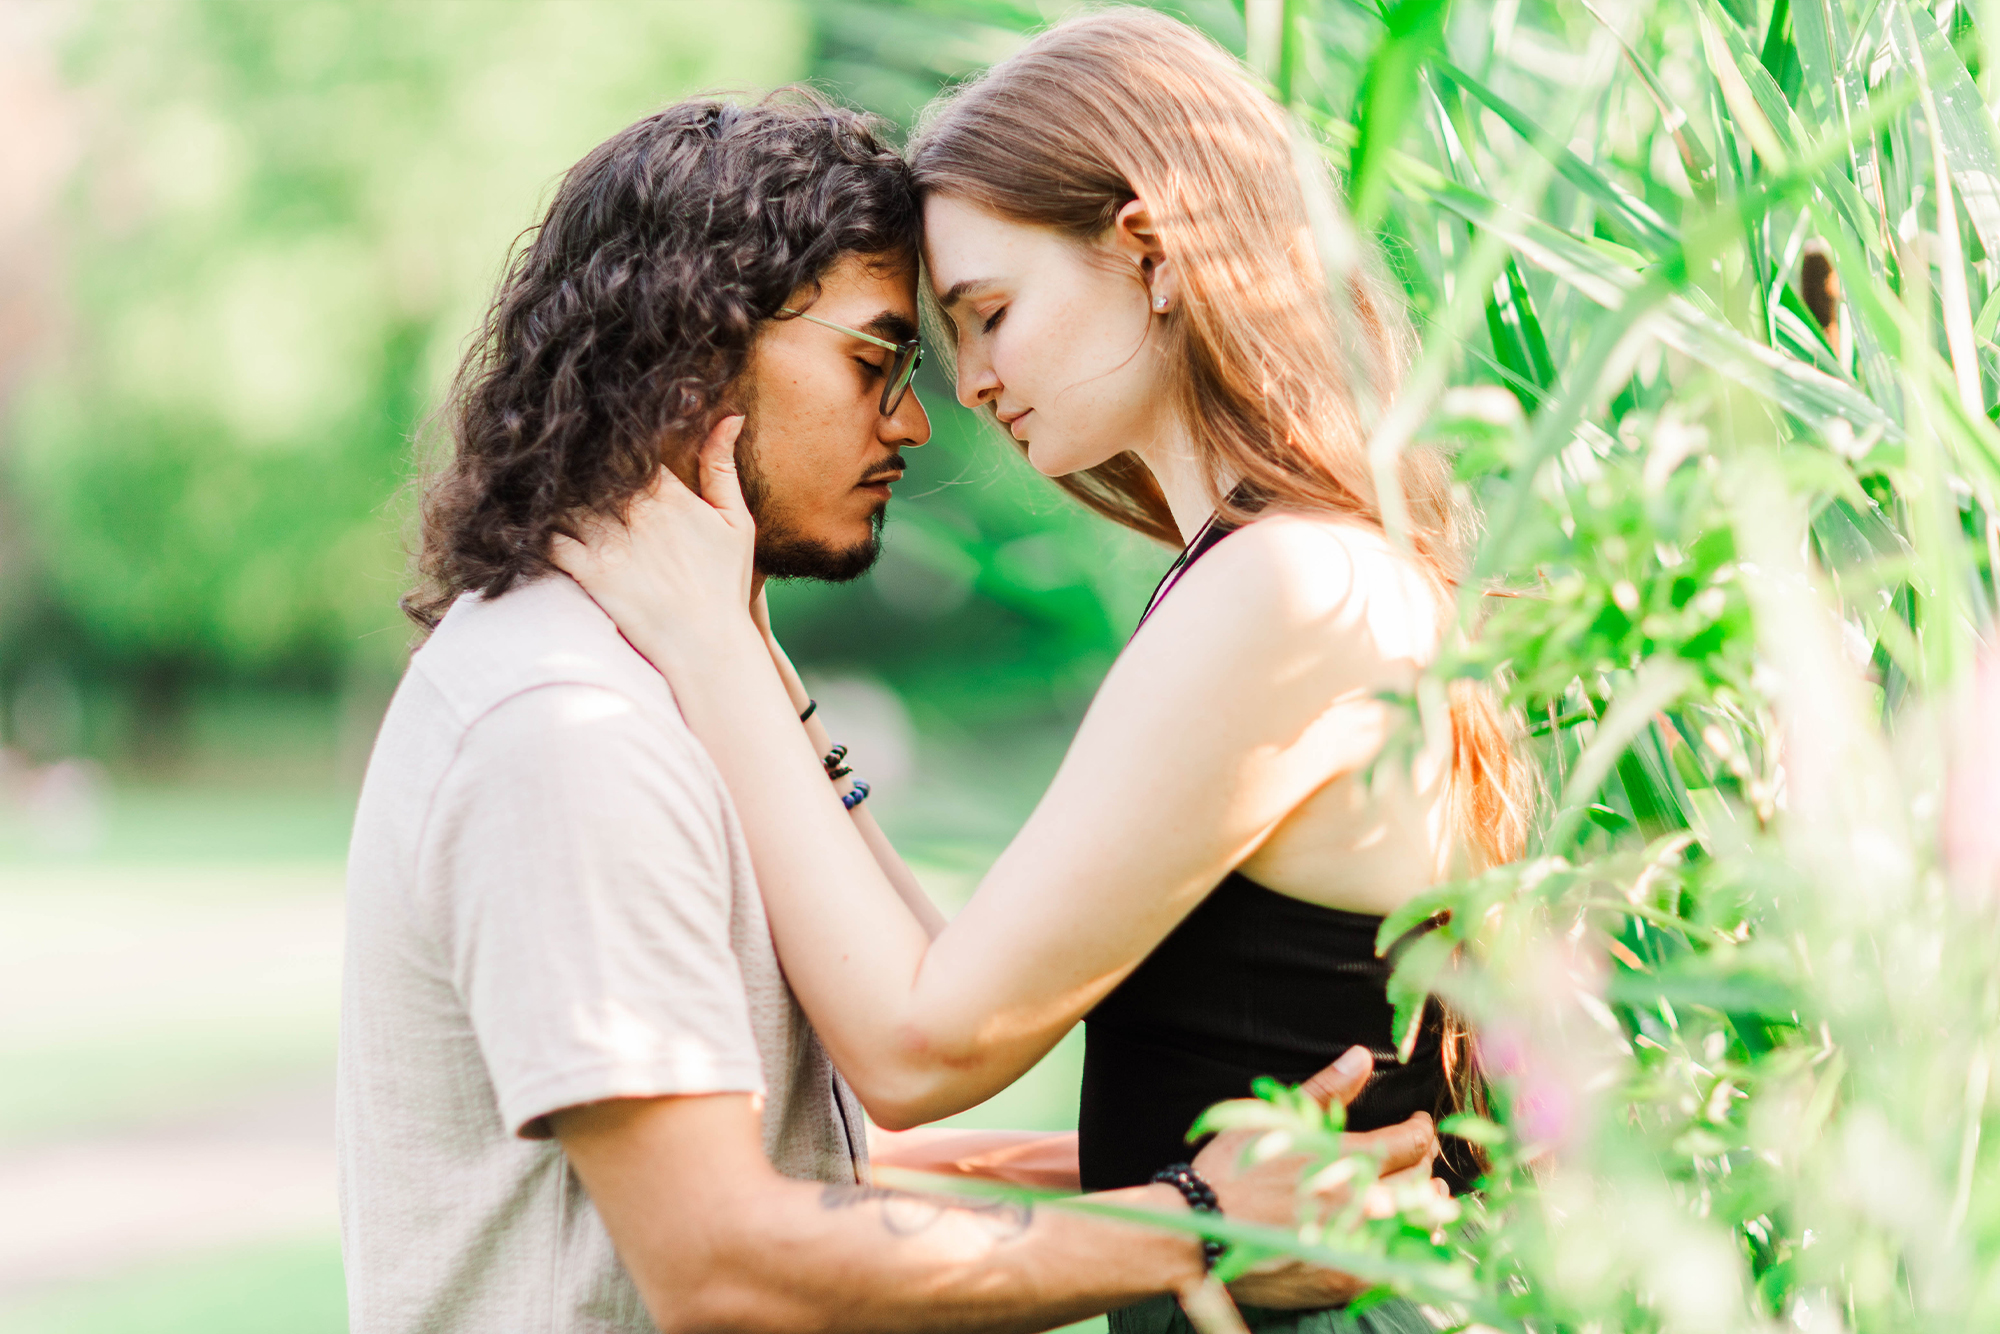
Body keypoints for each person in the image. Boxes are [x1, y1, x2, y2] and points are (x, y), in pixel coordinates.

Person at [340, 91, 1439, 1334]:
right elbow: (725, 1260)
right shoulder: (566, 727)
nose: (923, 416)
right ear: (695, 349)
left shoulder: (666, 684)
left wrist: (1216, 1192)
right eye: (878, 361)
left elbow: (808, 1176)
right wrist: (1192, 1219)